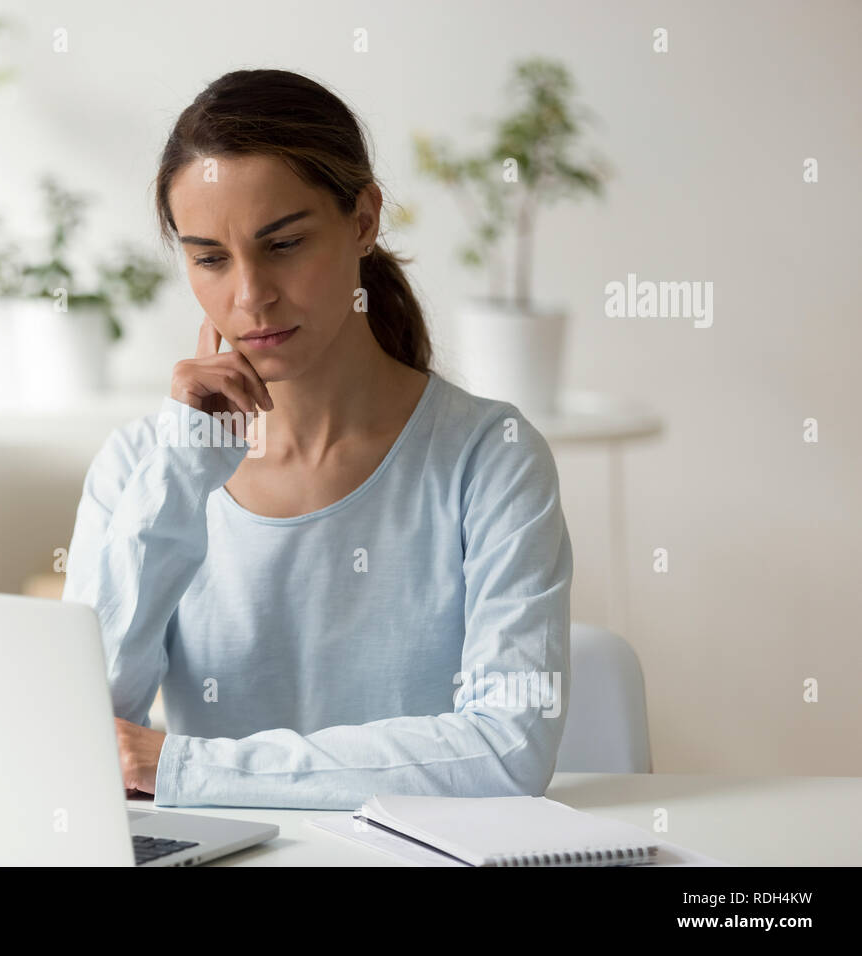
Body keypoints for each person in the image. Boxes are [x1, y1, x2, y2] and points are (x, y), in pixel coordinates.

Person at [62, 69, 573, 810]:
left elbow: (510, 745)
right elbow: (89, 729)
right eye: (210, 258)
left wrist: (190, 768)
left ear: (363, 219)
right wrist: (181, 472)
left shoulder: (490, 457)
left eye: (285, 244)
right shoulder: (141, 467)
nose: (250, 296)